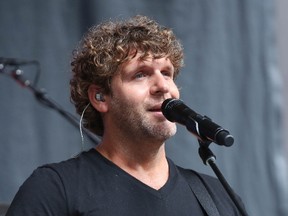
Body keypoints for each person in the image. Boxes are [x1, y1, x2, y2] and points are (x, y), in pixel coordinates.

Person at [6, 15, 246, 216]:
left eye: (167, 73)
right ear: (100, 97)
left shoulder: (217, 197)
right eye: (140, 74)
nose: (163, 86)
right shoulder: (54, 189)